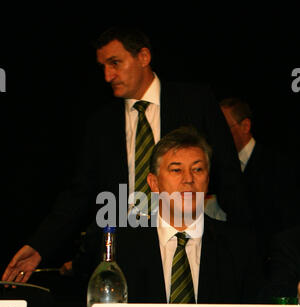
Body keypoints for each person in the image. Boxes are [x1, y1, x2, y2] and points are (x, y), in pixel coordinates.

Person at [2, 27, 250, 285]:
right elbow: (79, 195)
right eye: (104, 67)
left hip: (193, 245)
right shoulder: (101, 124)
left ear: (143, 57)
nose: (108, 75)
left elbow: (229, 174)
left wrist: (248, 242)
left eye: (115, 63)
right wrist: (41, 246)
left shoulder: (195, 101)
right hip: (129, 254)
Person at [73, 127, 264, 304]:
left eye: (197, 169)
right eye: (176, 170)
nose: (188, 179)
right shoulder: (120, 248)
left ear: (208, 179)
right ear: (154, 183)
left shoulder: (239, 247)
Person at [217, 97, 299, 258]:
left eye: (223, 128)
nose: (218, 136)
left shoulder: (278, 165)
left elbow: (287, 221)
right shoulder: (220, 168)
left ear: (245, 126)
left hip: (273, 260)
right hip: (237, 260)